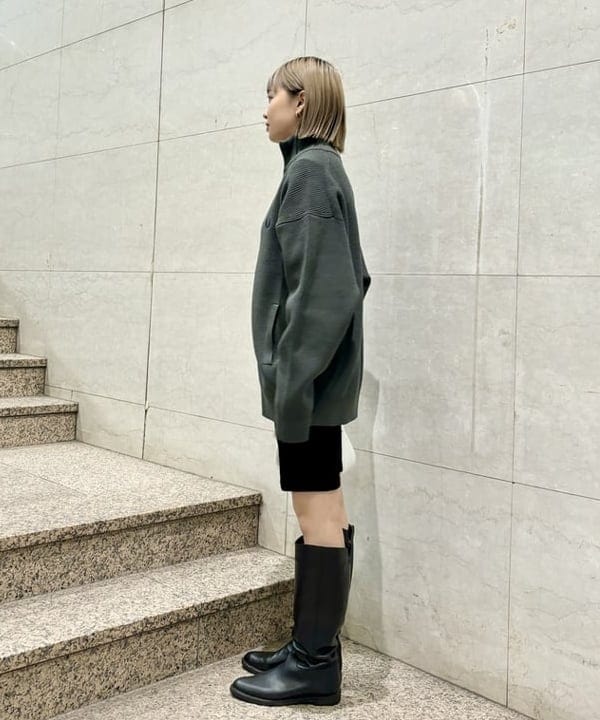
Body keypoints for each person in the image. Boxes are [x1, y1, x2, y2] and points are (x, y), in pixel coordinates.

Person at [229, 56, 371, 707]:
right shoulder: (317, 169)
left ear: (302, 102)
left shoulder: (310, 172)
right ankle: (310, 647)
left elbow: (326, 292)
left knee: (315, 509)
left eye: (273, 96)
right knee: (325, 507)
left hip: (308, 386)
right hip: (317, 382)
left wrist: (293, 377)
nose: (265, 109)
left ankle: (314, 666)